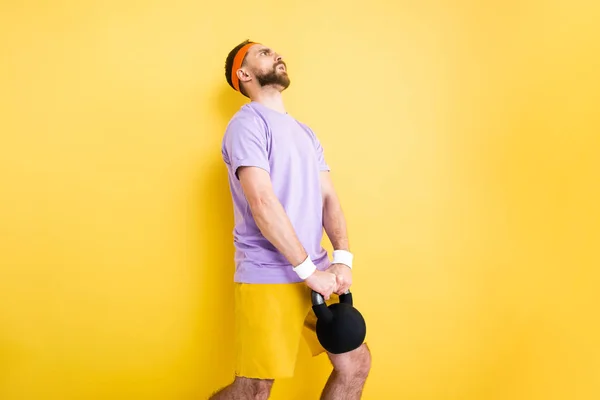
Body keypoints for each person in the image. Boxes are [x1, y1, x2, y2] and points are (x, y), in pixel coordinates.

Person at [210, 40, 371, 400]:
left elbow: (328, 197)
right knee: (255, 389)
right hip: (269, 274)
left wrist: (342, 259)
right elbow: (262, 202)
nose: (277, 55)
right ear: (244, 73)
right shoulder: (246, 125)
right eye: (264, 53)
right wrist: (307, 271)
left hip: (316, 273)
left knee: (355, 363)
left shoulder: (304, 132)